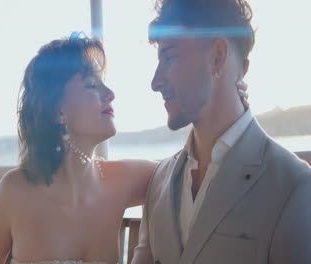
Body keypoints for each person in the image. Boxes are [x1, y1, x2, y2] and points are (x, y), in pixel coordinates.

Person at [0, 34, 248, 264]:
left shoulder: (124, 180)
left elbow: (195, 168)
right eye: (92, 85)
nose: (110, 93)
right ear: (58, 111)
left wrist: (228, 104)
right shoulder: (13, 192)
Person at [132, 0, 311, 264]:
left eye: (169, 57)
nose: (155, 82)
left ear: (217, 56)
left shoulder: (294, 185)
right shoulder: (159, 180)